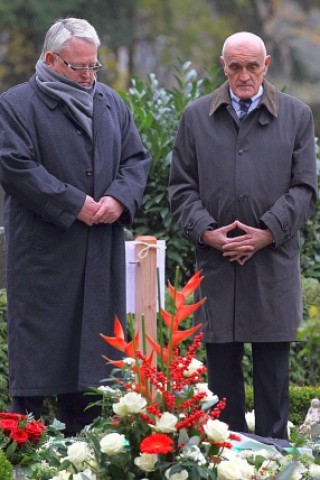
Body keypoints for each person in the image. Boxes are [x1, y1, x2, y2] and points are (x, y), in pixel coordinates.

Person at [0, 18, 151, 436]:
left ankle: (89, 452)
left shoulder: (111, 102)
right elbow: (14, 166)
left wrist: (119, 198)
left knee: (95, 372)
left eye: (93, 67)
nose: (88, 76)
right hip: (45, 258)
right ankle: (23, 450)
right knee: (38, 367)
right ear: (50, 59)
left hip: (99, 251)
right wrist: (74, 204)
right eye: (78, 67)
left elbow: (137, 159)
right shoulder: (15, 104)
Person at [168, 31, 317, 439]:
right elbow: (180, 188)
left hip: (272, 262)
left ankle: (277, 457)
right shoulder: (196, 116)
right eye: (235, 66)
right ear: (223, 66)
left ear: (266, 66)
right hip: (217, 265)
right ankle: (225, 459)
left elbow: (305, 189)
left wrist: (267, 232)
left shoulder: (297, 115)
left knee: (272, 375)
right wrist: (209, 233)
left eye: (253, 66)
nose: (244, 75)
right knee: (221, 385)